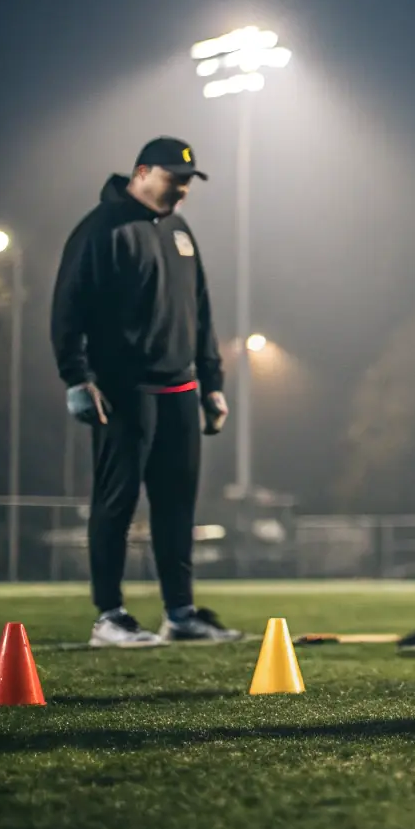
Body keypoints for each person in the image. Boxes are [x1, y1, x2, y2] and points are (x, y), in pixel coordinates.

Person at [51, 137, 241, 647]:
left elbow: (200, 311)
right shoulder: (100, 229)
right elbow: (67, 308)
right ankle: (109, 617)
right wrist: (76, 377)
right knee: (116, 502)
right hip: (123, 388)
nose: (181, 190)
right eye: (173, 179)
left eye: (187, 182)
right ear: (140, 173)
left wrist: (212, 384)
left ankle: (180, 614)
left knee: (177, 506)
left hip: (181, 387)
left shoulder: (180, 231)